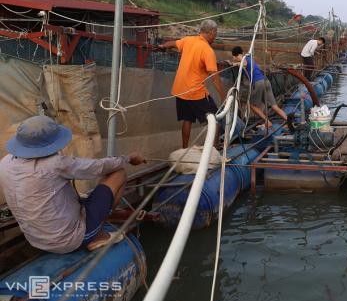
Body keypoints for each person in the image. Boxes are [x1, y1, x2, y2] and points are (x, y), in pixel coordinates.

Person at [0, 115, 146, 253]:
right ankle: (97, 233)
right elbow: (100, 167)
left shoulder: (5, 162)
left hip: (35, 240)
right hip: (69, 241)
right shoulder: (55, 164)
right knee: (118, 174)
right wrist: (129, 158)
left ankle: (95, 221)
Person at [159, 19, 226, 148]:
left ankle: (184, 149)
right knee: (216, 120)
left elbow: (173, 43)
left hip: (180, 90)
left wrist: (163, 46)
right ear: (211, 32)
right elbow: (214, 76)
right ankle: (213, 151)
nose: (215, 36)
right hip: (196, 92)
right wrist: (223, 96)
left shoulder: (188, 40)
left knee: (187, 120)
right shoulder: (208, 50)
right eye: (215, 33)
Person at [231, 46, 290, 128]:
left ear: (236, 55)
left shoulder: (244, 59)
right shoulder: (249, 57)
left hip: (258, 82)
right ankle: (288, 121)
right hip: (266, 81)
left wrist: (235, 63)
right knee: (274, 106)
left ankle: (267, 122)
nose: (233, 58)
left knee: (252, 105)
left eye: (233, 57)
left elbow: (243, 63)